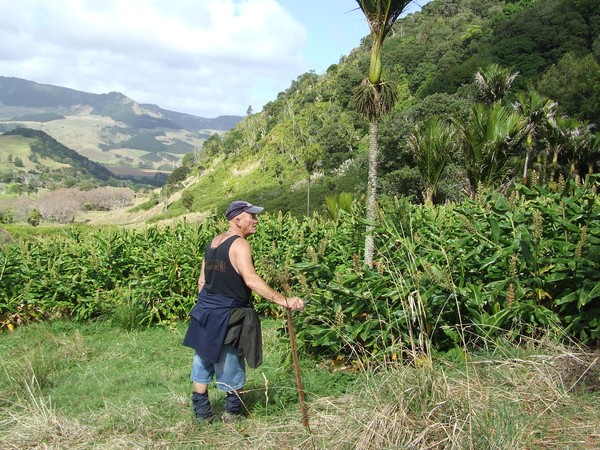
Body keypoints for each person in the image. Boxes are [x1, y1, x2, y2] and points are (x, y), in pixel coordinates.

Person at [183, 200, 305, 424]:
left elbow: (202, 281)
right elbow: (251, 280)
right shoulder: (240, 245)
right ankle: (232, 413)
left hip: (205, 310)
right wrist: (284, 300)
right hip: (229, 313)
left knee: (202, 357)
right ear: (238, 219)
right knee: (230, 359)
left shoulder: (213, 243)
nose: (256, 220)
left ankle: (202, 414)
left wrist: (209, 304)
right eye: (252, 216)